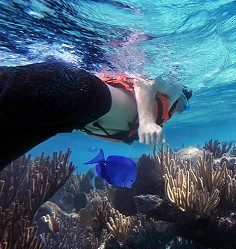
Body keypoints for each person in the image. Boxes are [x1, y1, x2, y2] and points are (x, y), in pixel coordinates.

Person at [0, 60, 192, 171]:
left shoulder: (162, 113)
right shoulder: (174, 92)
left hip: (70, 119)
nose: (182, 109)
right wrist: (147, 120)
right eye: (185, 105)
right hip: (77, 91)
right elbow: (148, 76)